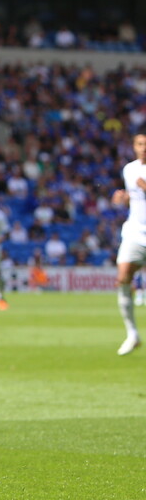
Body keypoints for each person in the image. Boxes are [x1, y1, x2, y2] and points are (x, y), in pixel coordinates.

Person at [112, 130, 146, 356]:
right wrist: (122, 199)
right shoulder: (129, 169)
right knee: (123, 277)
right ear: (134, 146)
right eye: (140, 144)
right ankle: (132, 333)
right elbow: (132, 201)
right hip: (135, 232)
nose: (144, 147)